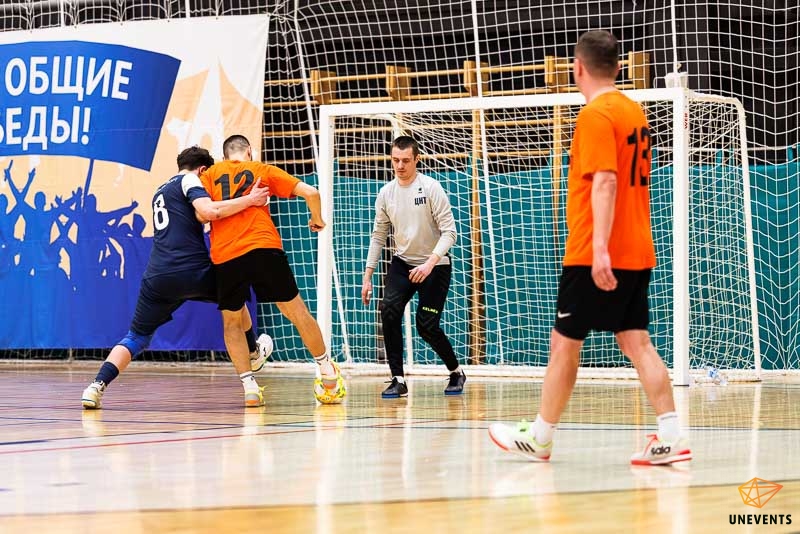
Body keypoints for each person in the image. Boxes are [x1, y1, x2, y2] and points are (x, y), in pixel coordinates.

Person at [488, 31, 691, 466]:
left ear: (577, 68)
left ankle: (541, 436)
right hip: (637, 247)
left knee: (564, 343)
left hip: (596, 251)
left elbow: (606, 181)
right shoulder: (634, 111)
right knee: (637, 342)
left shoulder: (596, 115)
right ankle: (672, 434)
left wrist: (599, 249)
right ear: (618, 67)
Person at [81, 146, 273, 409]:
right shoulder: (191, 180)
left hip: (157, 276)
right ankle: (252, 353)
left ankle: (95, 387)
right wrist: (249, 200)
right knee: (236, 297)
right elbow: (210, 212)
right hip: (192, 270)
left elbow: (192, 218)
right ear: (203, 170)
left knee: (136, 337)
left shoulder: (160, 190)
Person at [199, 134, 344, 407]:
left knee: (231, 323)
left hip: (227, 254)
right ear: (249, 151)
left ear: (224, 155)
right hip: (263, 246)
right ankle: (327, 372)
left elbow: (202, 214)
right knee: (298, 313)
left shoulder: (210, 175)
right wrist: (317, 219)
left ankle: (250, 389)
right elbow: (312, 193)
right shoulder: (262, 170)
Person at [361, 136, 466, 398]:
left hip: (435, 265)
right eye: (395, 160)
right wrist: (368, 276)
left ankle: (456, 372)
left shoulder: (431, 188)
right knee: (388, 310)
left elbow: (450, 232)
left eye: (406, 160)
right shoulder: (386, 193)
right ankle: (398, 379)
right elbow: (378, 235)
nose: (400, 165)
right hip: (403, 264)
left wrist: (429, 263)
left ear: (417, 159)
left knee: (426, 326)